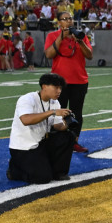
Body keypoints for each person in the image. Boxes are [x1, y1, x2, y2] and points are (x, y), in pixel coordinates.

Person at [6, 72, 75, 184]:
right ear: (44, 86)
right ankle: (14, 169)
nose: (59, 91)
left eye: (60, 88)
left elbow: (57, 126)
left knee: (68, 137)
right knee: (42, 178)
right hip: (23, 147)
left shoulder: (55, 102)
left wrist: (67, 123)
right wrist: (52, 112)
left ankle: (59, 172)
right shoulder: (27, 99)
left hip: (41, 143)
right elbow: (26, 120)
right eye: (56, 87)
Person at [44, 10, 93, 153]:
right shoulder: (52, 36)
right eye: (65, 19)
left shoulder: (79, 36)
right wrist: (61, 37)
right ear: (59, 23)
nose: (69, 21)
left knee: (77, 113)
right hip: (59, 82)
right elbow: (49, 54)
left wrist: (80, 41)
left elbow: (89, 55)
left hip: (79, 80)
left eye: (70, 18)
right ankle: (59, 141)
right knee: (59, 112)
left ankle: (74, 142)